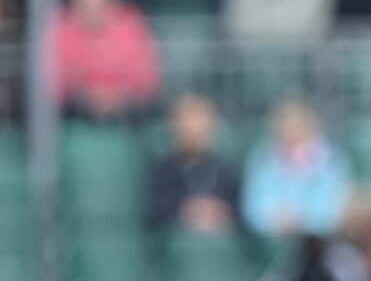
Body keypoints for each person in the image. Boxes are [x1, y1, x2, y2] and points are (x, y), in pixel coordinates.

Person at [50, 0, 163, 118]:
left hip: (129, 114)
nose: (92, 12)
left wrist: (117, 96)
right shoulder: (62, 27)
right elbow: (54, 84)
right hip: (74, 113)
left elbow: (147, 81)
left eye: (99, 4)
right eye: (85, 5)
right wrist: (86, 95)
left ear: (113, 1)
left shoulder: (131, 24)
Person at [240, 95, 353, 238]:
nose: (291, 128)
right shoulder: (261, 159)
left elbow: (335, 211)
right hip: (270, 245)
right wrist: (276, 220)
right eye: (284, 121)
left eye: (298, 122)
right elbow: (253, 208)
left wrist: (302, 221)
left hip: (319, 246)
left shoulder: (333, 160)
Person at [148, 93, 241, 233]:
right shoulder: (163, 171)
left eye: (200, 127)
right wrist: (188, 210)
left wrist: (216, 211)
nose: (194, 132)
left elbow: (238, 210)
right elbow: (157, 212)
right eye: (186, 127)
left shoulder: (225, 171)